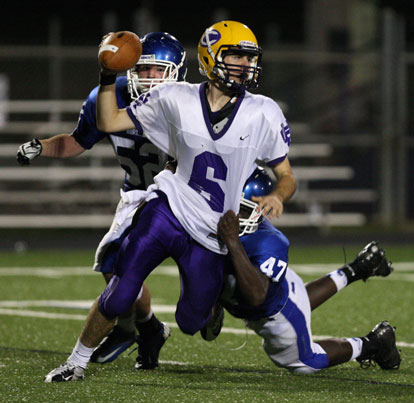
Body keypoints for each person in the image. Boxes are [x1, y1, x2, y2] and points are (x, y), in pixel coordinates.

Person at [44, 20, 297, 382]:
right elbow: (110, 120)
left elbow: (287, 175)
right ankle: (76, 362)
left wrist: (277, 194)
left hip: (211, 229)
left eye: (248, 57)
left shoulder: (264, 112)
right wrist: (105, 76)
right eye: (235, 55)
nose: (244, 64)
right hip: (168, 207)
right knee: (121, 288)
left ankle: (212, 301)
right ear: (210, 58)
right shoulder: (174, 97)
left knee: (190, 321)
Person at [16, 32, 188, 369]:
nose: (150, 77)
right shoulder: (109, 97)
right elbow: (77, 142)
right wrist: (42, 145)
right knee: (114, 265)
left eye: (158, 70)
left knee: (203, 299)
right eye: (143, 69)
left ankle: (145, 327)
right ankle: (144, 327)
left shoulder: (189, 103)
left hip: (186, 195)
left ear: (177, 72)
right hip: (139, 193)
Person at [212, 168, 401, 373]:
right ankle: (357, 268)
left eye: (243, 209)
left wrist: (232, 243)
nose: (234, 216)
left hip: (274, 310)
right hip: (283, 287)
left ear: (259, 211)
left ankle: (372, 344)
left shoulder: (270, 242)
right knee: (298, 299)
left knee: (307, 363)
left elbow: (257, 295)